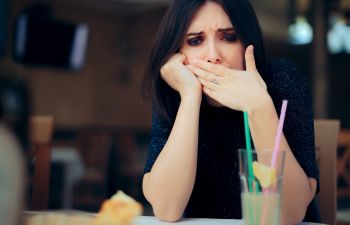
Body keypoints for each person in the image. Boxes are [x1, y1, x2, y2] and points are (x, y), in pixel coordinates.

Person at [141, 0, 319, 224]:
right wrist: (189, 96)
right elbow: (167, 208)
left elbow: (290, 214)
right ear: (178, 52)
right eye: (195, 41)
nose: (213, 56)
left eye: (228, 37)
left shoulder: (282, 79)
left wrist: (259, 106)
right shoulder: (176, 91)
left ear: (247, 41)